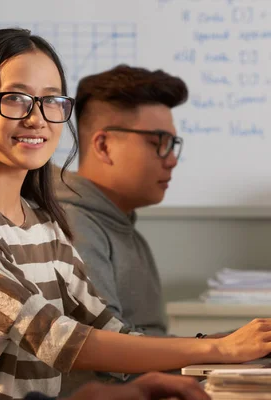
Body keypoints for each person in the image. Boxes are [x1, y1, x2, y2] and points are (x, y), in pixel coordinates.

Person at [0, 27, 271, 399]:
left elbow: (108, 329)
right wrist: (219, 348)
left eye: (51, 100)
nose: (37, 117)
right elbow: (54, 338)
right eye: (15, 98)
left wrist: (243, 342)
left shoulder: (41, 222)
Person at [54, 65, 185, 336]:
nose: (171, 160)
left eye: (172, 144)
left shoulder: (121, 226)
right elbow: (109, 355)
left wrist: (224, 347)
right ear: (103, 146)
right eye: (158, 142)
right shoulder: (74, 225)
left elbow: (148, 345)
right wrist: (215, 348)